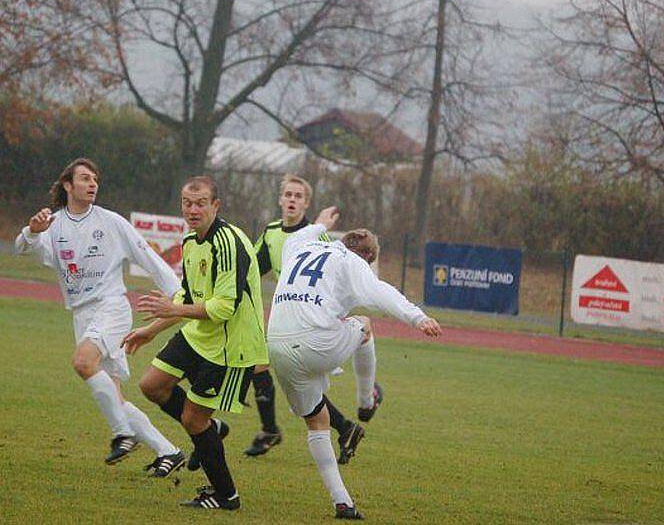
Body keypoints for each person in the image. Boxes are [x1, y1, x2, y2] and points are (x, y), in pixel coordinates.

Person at [267, 207, 442, 520]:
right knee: (364, 324)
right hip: (316, 344)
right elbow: (381, 292)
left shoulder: (298, 245)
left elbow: (303, 232)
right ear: (369, 258)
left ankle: (343, 502)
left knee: (317, 421)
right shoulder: (352, 262)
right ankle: (365, 402)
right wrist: (418, 317)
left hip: (277, 345)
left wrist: (320, 223)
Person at [13, 158, 185, 475]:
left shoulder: (110, 222)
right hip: (82, 314)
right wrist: (33, 233)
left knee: (82, 362)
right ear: (68, 185)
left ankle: (123, 433)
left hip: (111, 308)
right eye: (85, 178)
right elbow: (29, 251)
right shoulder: (55, 223)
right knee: (114, 395)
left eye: (95, 179)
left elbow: (145, 254)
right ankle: (169, 451)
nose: (92, 184)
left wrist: (176, 291)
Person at [122, 176, 268, 510]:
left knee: (192, 420)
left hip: (232, 345)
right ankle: (212, 429)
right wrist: (152, 330)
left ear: (215, 205)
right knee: (152, 385)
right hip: (200, 334)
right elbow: (188, 296)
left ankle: (226, 496)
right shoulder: (190, 241)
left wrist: (174, 309)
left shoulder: (228, 242)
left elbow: (223, 307)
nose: (193, 209)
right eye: (188, 203)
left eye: (201, 202)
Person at [245, 174, 364, 465]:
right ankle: (340, 427)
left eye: (298, 196)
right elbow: (250, 270)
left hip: (310, 323)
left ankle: (277, 429)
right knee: (260, 367)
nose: (292, 200)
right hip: (283, 318)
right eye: (288, 194)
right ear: (280, 199)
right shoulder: (271, 232)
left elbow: (336, 283)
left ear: (306, 203)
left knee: (292, 384)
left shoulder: (317, 236)